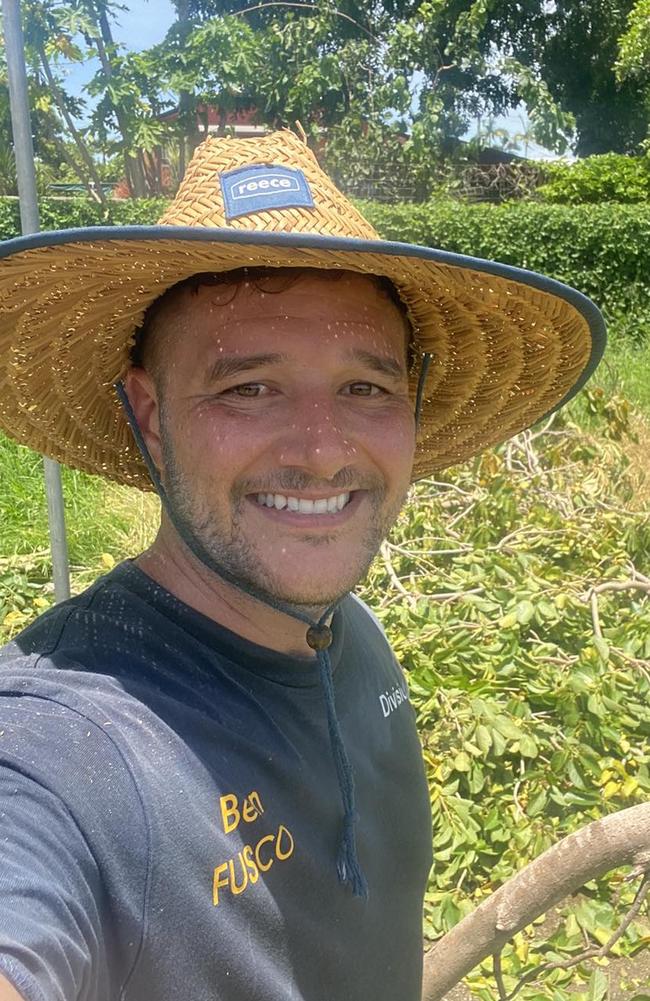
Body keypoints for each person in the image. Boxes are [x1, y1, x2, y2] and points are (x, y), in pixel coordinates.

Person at [0, 131, 605, 1001]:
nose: (323, 455)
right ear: (152, 412)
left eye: (366, 387)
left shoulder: (342, 630)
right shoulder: (68, 750)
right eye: (249, 388)